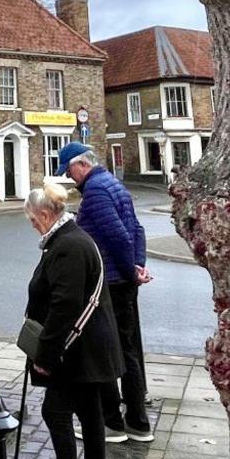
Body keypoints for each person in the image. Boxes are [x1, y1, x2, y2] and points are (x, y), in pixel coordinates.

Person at [21, 180, 125, 459]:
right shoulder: (73, 239)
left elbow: (65, 305)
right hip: (89, 349)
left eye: (34, 220)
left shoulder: (67, 246)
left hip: (74, 352)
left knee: (56, 412)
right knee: (91, 413)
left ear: (47, 214)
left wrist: (45, 355)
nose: (33, 226)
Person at [58, 140, 154, 443]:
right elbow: (137, 230)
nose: (70, 178)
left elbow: (118, 235)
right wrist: (138, 265)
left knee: (105, 352)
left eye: (69, 171)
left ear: (81, 165)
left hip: (109, 284)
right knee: (127, 350)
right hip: (122, 279)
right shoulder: (113, 184)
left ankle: (112, 423)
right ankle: (137, 422)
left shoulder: (97, 191)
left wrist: (129, 272)